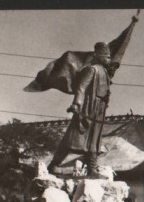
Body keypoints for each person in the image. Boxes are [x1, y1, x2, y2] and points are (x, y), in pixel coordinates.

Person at [48, 41, 113, 176]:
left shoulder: (105, 73)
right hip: (86, 109)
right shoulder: (91, 69)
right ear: (100, 56)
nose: (109, 59)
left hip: (98, 111)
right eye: (107, 57)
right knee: (71, 139)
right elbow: (81, 87)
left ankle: (92, 169)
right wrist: (76, 104)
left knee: (94, 141)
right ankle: (54, 165)